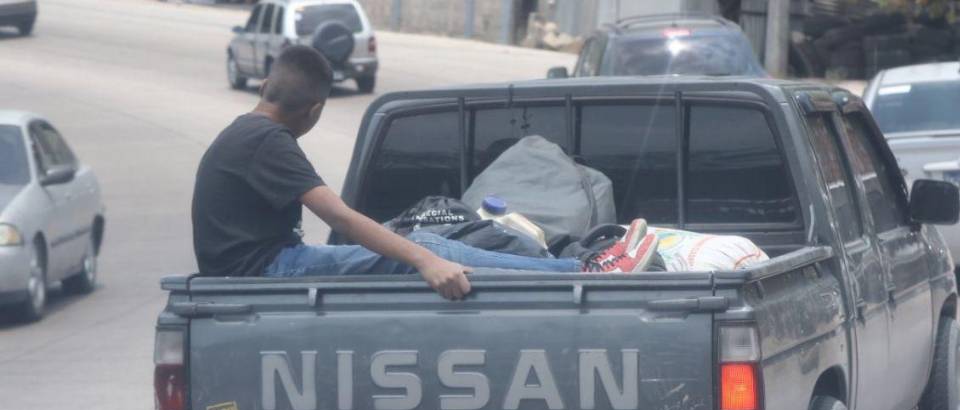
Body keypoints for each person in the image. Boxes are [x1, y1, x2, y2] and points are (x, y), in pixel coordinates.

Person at [192, 46, 658, 300]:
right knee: (424, 247)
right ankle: (584, 269)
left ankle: (571, 266)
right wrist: (424, 261)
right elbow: (343, 219)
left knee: (418, 244)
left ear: (268, 86)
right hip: (267, 272)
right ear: (314, 110)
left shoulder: (245, 133)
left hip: (264, 264)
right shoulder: (268, 142)